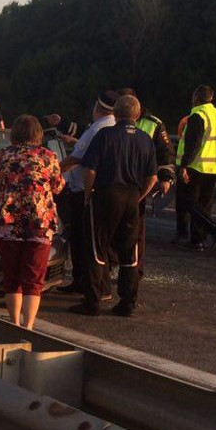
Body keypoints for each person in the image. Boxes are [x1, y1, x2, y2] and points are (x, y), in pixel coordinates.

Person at [71, 95, 157, 317]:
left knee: (96, 249)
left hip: (106, 195)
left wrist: (88, 195)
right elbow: (153, 177)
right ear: (137, 116)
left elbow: (90, 170)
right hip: (131, 197)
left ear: (116, 113)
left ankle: (93, 301)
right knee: (130, 252)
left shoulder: (105, 135)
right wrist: (140, 196)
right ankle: (127, 302)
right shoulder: (145, 138)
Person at [0, 115, 65, 329]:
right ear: (38, 134)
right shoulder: (48, 156)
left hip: (8, 220)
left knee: (11, 275)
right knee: (33, 278)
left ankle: (13, 322)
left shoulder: (2, 156)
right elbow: (58, 186)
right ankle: (28, 325)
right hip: (39, 221)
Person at [55, 90, 117, 297]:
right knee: (91, 241)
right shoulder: (112, 126)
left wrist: (50, 172)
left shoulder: (98, 128)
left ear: (97, 107)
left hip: (84, 191)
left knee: (85, 241)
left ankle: (91, 286)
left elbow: (75, 159)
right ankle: (83, 281)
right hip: (103, 191)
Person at [116, 87, 174, 274]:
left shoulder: (153, 124)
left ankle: (135, 269)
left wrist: (165, 177)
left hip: (138, 184)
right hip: (116, 181)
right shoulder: (112, 119)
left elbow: (165, 152)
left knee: (136, 229)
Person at [176, 85, 216, 252]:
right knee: (204, 205)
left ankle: (215, 230)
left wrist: (184, 165)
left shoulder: (197, 115)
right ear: (211, 98)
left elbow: (193, 144)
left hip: (196, 166)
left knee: (188, 202)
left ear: (195, 98)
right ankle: (197, 240)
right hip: (214, 167)